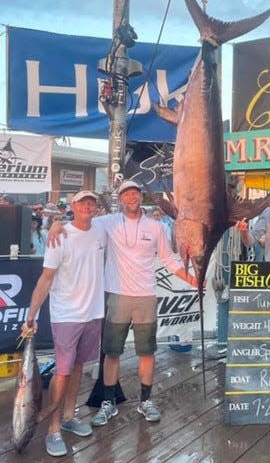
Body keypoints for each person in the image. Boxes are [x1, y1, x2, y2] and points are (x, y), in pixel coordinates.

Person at [48, 180, 198, 426]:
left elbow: (169, 260)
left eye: (135, 192)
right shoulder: (107, 222)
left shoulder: (156, 226)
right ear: (120, 198)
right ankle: (108, 403)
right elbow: (80, 222)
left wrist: (193, 280)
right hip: (116, 295)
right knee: (112, 352)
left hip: (146, 295)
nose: (131, 197)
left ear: (140, 197)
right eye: (126, 193)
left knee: (147, 352)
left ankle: (146, 401)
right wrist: (57, 224)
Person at [21, 190, 106, 457]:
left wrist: (55, 219)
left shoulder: (102, 230)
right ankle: (53, 429)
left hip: (93, 313)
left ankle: (69, 416)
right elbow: (46, 279)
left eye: (91, 202)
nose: (87, 206)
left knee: (78, 367)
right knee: (63, 372)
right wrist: (31, 314)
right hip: (66, 315)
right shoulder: (60, 236)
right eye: (82, 202)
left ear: (96, 208)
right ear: (73, 206)